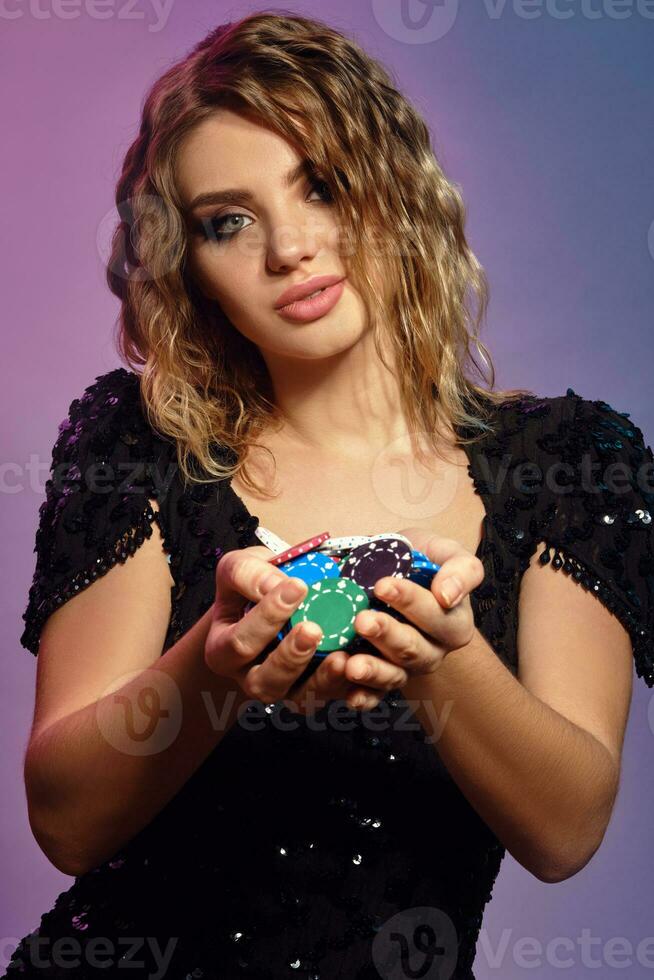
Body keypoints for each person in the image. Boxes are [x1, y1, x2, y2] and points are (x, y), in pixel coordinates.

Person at [6, 10, 654, 980]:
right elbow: (63, 820)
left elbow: (566, 828)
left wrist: (446, 661)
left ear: (395, 182)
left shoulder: (568, 459)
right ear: (193, 271)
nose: (291, 249)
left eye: (321, 183)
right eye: (230, 220)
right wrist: (213, 669)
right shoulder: (145, 442)